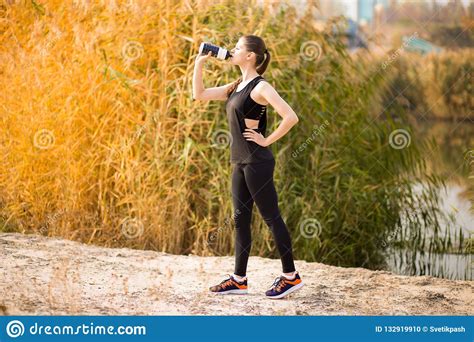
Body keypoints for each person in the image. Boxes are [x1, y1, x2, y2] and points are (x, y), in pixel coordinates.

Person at [192, 35, 303, 299]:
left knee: (271, 218)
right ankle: (239, 279)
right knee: (240, 221)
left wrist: (267, 139)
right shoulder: (238, 86)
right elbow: (200, 95)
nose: (233, 51)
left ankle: (291, 277)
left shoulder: (260, 87)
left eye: (238, 48)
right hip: (239, 161)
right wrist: (199, 64)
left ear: (251, 56)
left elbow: (291, 117)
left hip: (257, 162)